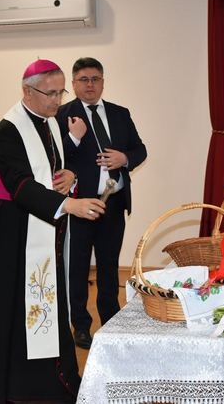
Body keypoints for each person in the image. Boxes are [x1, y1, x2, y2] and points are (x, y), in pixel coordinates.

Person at [0, 58, 105, 403]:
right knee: (16, 308)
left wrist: (71, 175)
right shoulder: (8, 131)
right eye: (50, 93)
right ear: (27, 91)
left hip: (42, 227)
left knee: (46, 301)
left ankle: (55, 379)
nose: (58, 100)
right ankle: (19, 386)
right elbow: (20, 184)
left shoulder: (49, 122)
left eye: (61, 92)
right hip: (12, 234)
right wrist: (69, 205)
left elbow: (56, 166)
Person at [56, 57, 147, 349]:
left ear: (103, 82)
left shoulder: (120, 113)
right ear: (73, 84)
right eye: (84, 79)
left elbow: (140, 149)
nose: (90, 85)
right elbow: (56, 157)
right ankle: (81, 325)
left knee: (109, 265)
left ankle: (111, 321)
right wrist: (74, 139)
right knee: (78, 267)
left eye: (95, 79)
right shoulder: (61, 115)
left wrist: (125, 158)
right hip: (80, 204)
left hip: (113, 204)